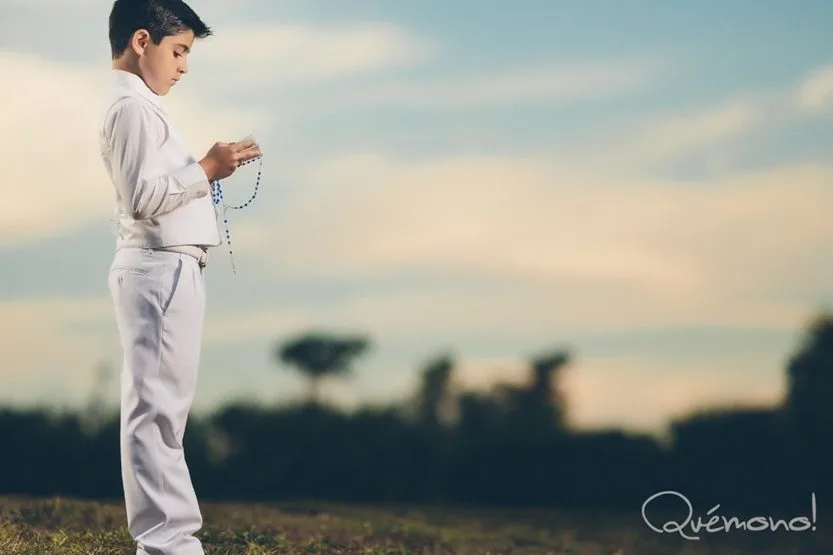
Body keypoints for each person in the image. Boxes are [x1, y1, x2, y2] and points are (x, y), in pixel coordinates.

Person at [100, 1, 261, 553]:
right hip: (158, 267)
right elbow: (142, 198)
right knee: (155, 412)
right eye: (179, 51)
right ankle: (168, 544)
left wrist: (209, 171)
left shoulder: (141, 106)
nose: (184, 67)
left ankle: (170, 541)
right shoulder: (131, 109)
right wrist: (208, 169)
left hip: (170, 268)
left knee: (163, 411)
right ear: (142, 40)